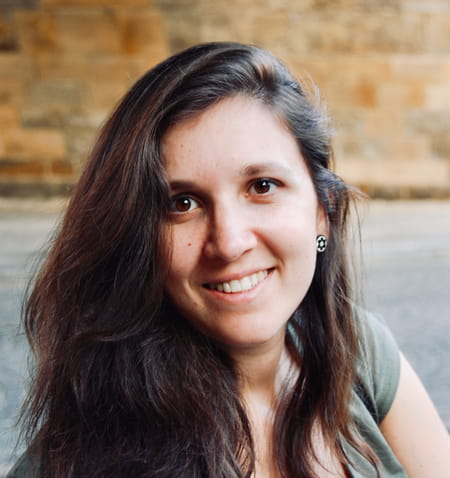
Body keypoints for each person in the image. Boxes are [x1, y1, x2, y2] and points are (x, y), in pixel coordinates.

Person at [7, 42, 450, 478]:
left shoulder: (358, 350)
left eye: (262, 186)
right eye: (182, 203)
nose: (229, 243)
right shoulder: (86, 451)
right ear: (137, 237)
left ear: (322, 211)